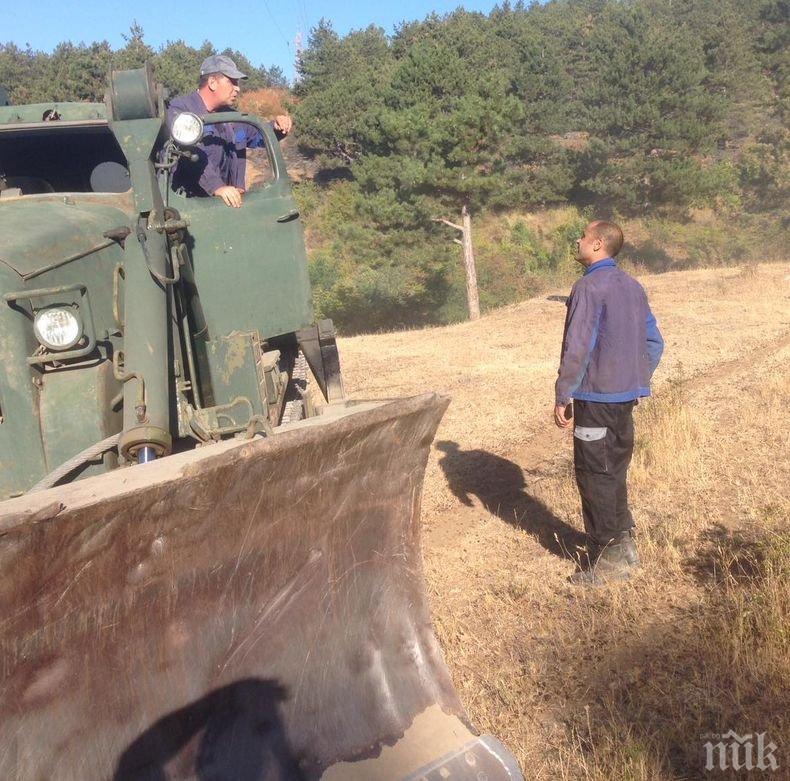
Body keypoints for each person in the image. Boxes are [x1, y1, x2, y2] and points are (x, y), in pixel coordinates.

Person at [554, 220, 664, 585]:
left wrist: (563, 392)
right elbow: (654, 343)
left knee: (594, 475)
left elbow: (578, 346)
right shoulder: (633, 287)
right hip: (624, 399)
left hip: (596, 398)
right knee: (613, 470)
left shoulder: (588, 286)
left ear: (598, 244)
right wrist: (634, 378)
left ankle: (610, 559)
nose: (578, 239)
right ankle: (625, 544)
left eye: (583, 236)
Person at [166, 55, 293, 208]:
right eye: (232, 81)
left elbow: (257, 135)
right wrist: (217, 187)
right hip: (191, 208)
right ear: (212, 82)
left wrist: (276, 128)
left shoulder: (232, 118)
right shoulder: (181, 113)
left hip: (229, 205)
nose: (237, 88)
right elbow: (189, 155)